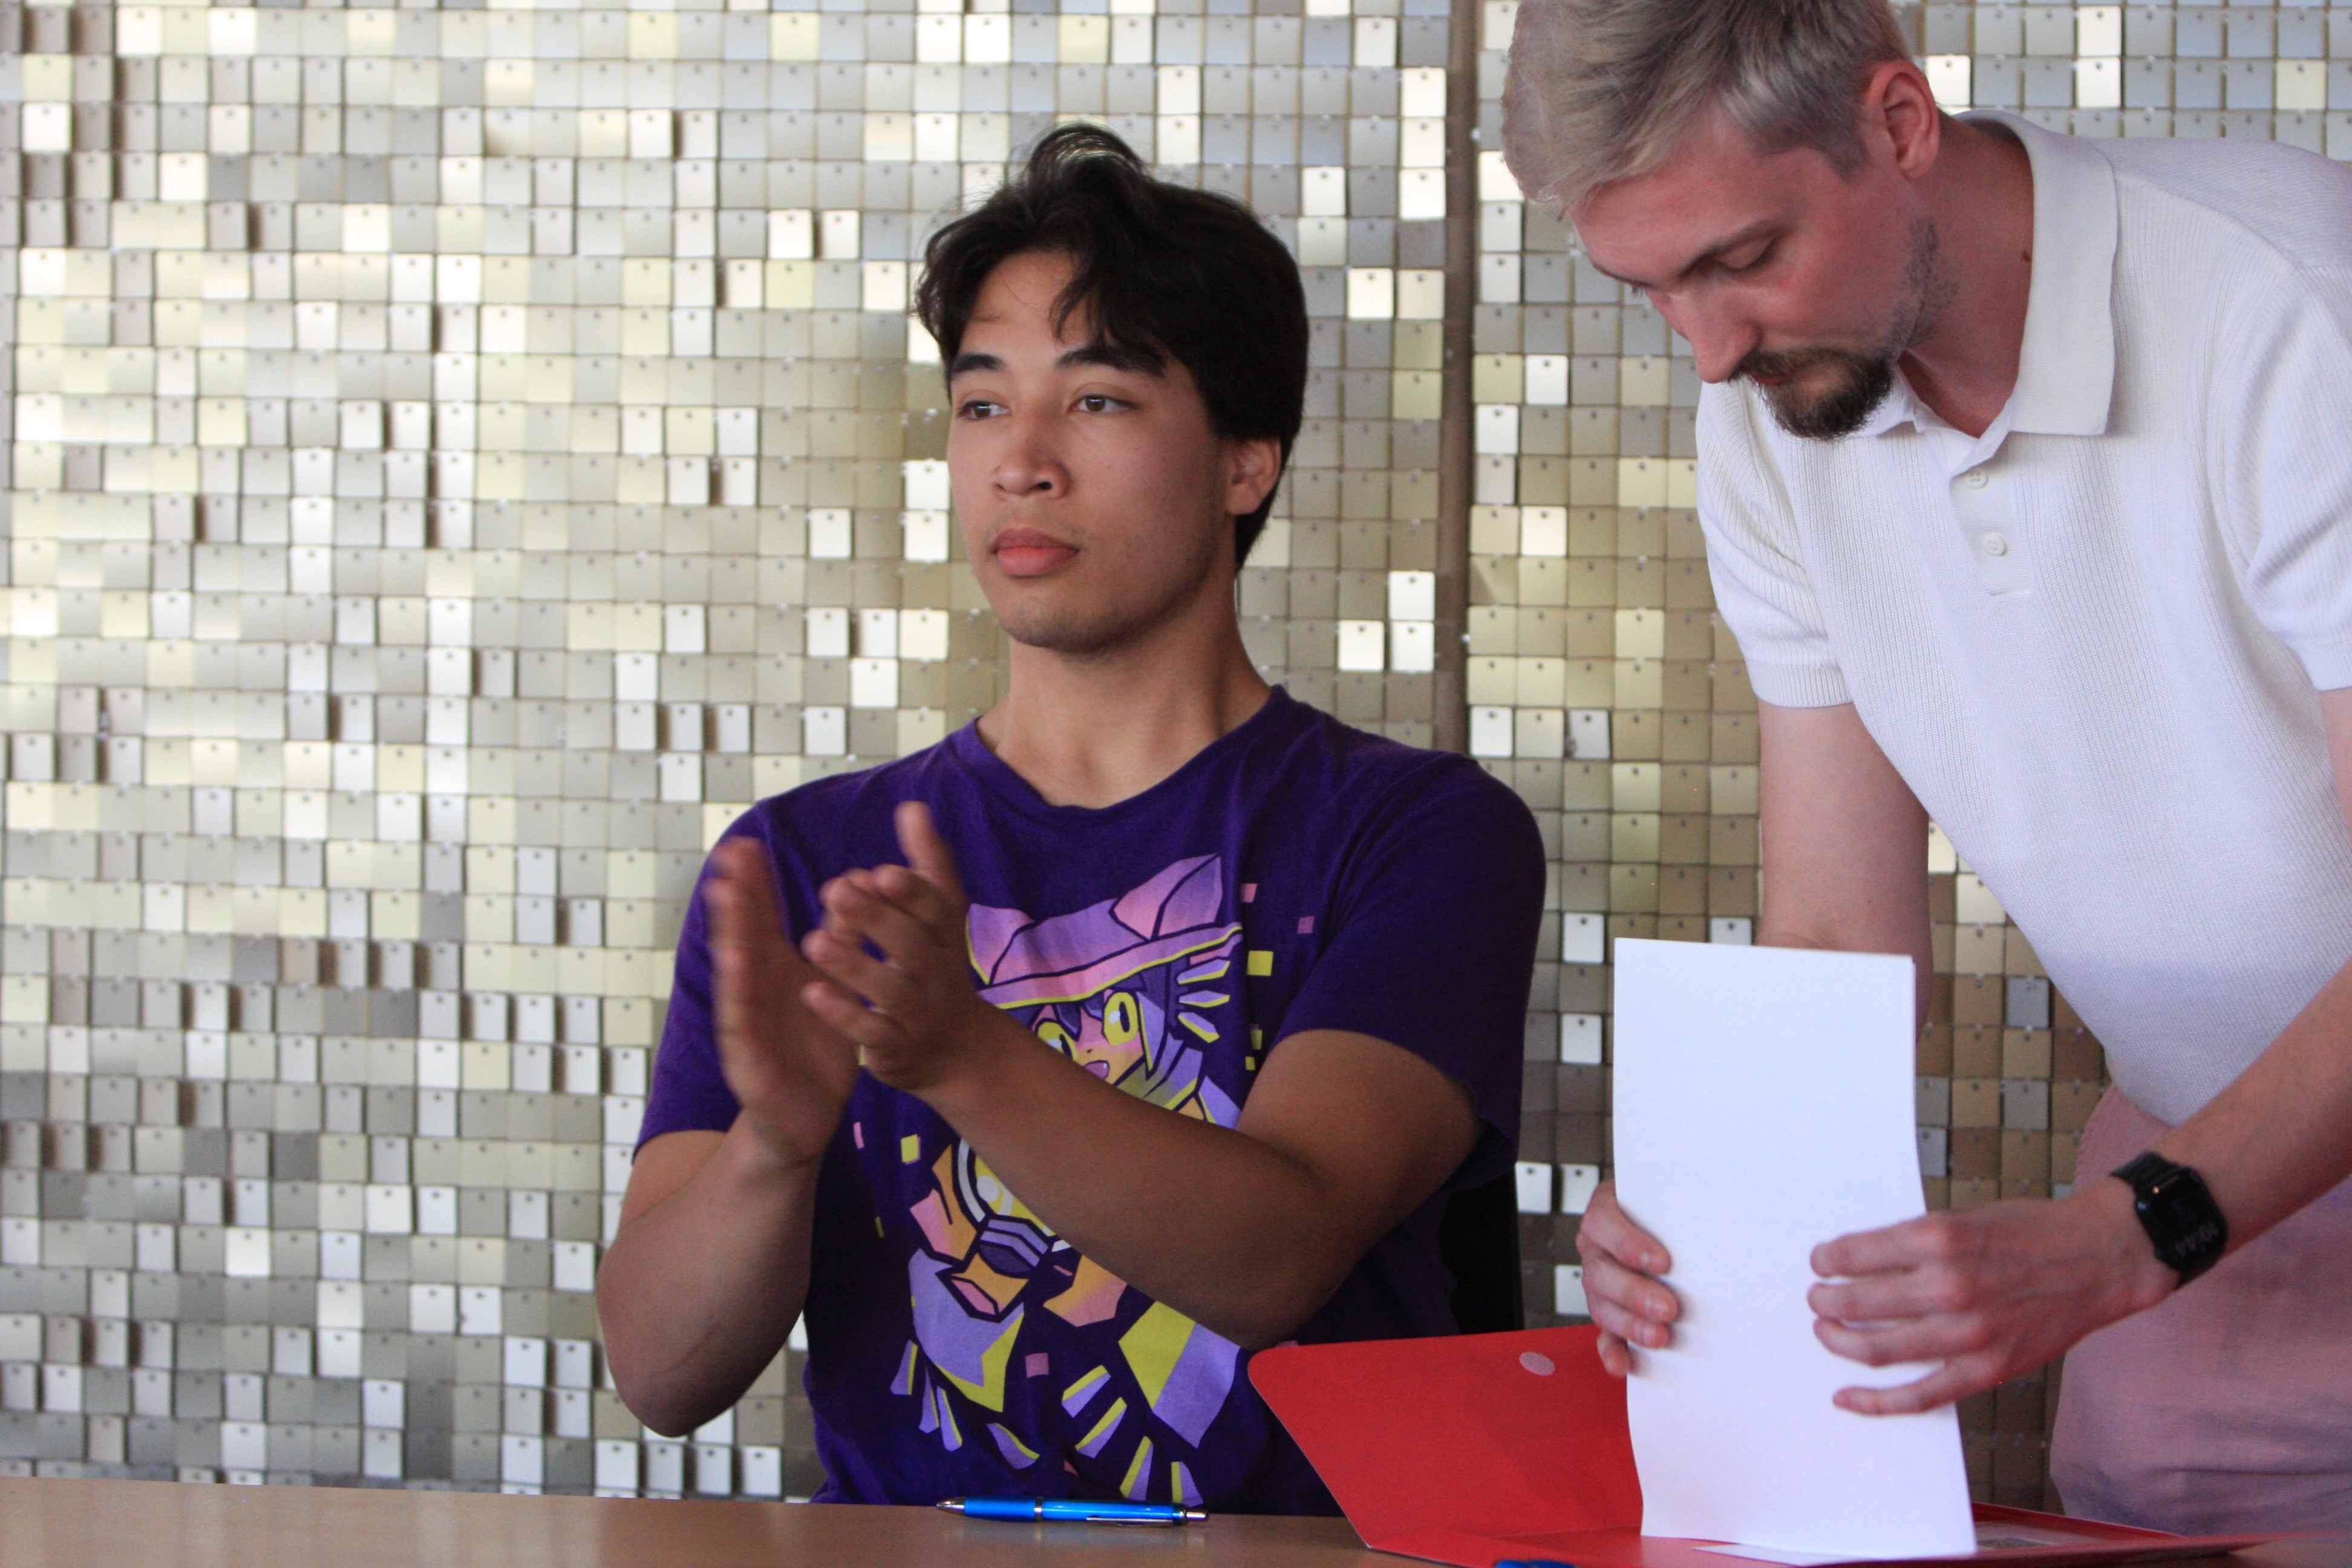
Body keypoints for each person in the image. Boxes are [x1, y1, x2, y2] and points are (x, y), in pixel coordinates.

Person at [595, 125, 1545, 1514]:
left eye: (1097, 400)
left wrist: (956, 1053)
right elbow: (659, 1375)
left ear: (1247, 461)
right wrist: (775, 1149)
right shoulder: (802, 862)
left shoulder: (1417, 833)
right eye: (983, 405)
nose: (1022, 462)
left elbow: (1275, 1260)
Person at [1502, 0, 2352, 1535]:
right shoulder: (1774, 418)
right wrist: (1715, 1218)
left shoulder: (2294, 309)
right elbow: (1840, 934)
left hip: (2176, 1206)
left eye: (1742, 258)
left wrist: (2131, 1236)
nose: (1709, 350)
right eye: (1653, 289)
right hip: (2203, 1184)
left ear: (1896, 122)